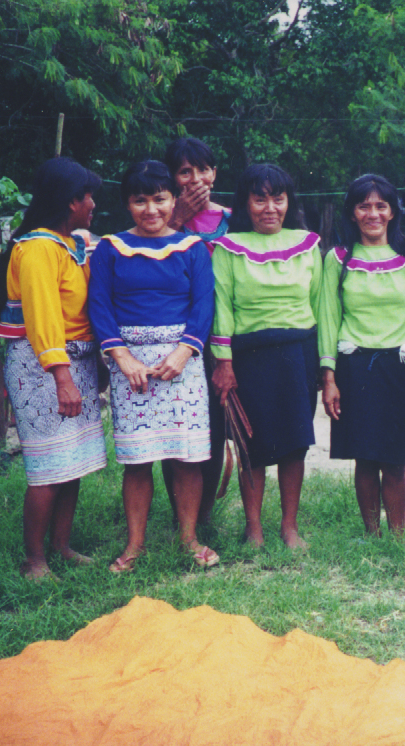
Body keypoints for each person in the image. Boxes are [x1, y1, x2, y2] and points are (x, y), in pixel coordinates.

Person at [87, 160, 217, 572]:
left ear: (173, 200)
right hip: (131, 368)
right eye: (139, 201)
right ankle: (135, 544)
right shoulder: (109, 248)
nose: (151, 210)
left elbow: (203, 304)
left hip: (183, 364)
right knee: (138, 460)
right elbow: (100, 305)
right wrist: (122, 357)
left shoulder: (193, 248)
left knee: (186, 457)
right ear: (127, 204)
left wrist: (183, 353)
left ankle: (189, 539)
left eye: (159, 199)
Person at [0, 157, 106, 580]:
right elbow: (42, 318)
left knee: (71, 461)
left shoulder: (68, 243)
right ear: (70, 200)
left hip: (75, 362)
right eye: (88, 196)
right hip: (43, 367)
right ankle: (34, 559)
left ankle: (61, 545)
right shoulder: (37, 248)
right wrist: (61, 377)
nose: (93, 203)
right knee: (47, 467)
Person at [318, 175, 405, 536]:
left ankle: (398, 536)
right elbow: (329, 317)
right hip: (354, 366)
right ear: (353, 213)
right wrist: (329, 377)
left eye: (380, 206)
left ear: (392, 211)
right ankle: (372, 534)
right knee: (364, 457)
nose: (372, 213)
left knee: (394, 459)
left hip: (399, 367)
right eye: (364, 206)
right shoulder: (337, 259)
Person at [209, 164, 321, 549]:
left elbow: (319, 304)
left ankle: (289, 527)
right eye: (260, 198)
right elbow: (221, 306)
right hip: (247, 358)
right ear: (246, 202)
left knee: (295, 442)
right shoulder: (227, 248)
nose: (270, 207)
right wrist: (223, 363)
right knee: (250, 443)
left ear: (289, 201)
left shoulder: (308, 244)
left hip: (298, 354)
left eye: (278, 197)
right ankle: (253, 528)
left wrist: (325, 366)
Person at [163, 137, 231, 526]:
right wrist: (177, 219)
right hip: (172, 336)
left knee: (215, 422)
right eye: (184, 172)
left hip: (219, 335)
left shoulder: (233, 219)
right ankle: (179, 515)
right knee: (176, 427)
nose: (195, 180)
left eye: (202, 169)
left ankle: (203, 515)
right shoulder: (157, 218)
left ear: (214, 173)